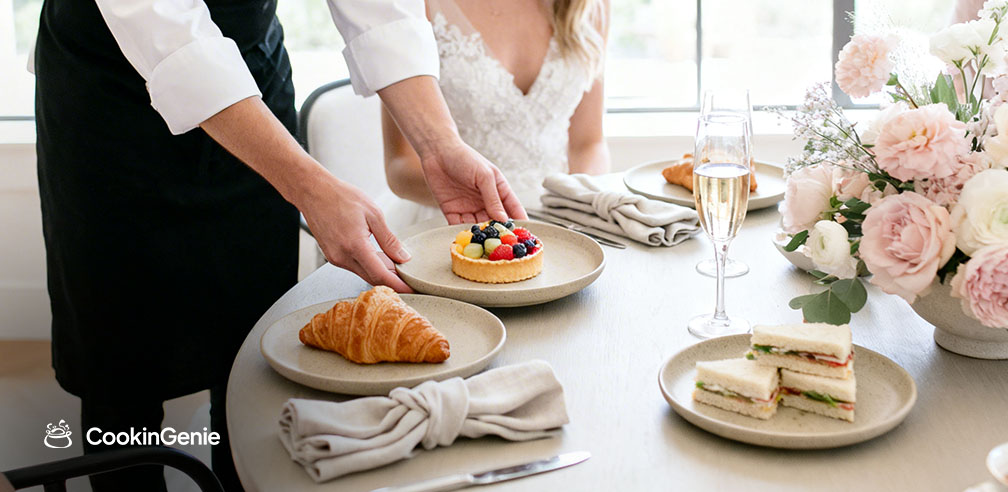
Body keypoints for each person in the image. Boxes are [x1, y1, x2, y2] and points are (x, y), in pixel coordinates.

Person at [33, 1, 523, 491]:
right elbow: (165, 27)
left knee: (250, 353)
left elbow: (380, 8)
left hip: (253, 87)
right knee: (121, 367)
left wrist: (439, 145)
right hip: (111, 104)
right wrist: (309, 185)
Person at [381, 0, 611, 228]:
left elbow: (588, 143)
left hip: (559, 220)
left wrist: (581, 205)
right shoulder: (412, 7)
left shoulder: (589, 5)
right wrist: (485, 200)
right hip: (455, 221)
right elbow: (401, 167)